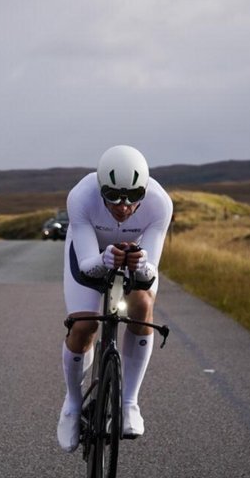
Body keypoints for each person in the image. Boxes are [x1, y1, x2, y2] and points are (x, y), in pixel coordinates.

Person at [57, 145, 173, 452]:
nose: (123, 206)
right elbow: (85, 266)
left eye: (133, 196)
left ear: (144, 191)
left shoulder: (160, 203)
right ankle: (71, 403)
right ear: (100, 189)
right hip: (90, 254)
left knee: (142, 307)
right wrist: (105, 259)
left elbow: (150, 273)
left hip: (134, 257)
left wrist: (141, 263)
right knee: (83, 325)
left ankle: (130, 403)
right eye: (113, 196)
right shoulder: (81, 196)